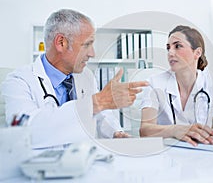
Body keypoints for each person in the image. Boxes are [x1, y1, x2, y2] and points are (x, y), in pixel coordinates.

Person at [1, 9, 148, 148]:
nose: (92, 53)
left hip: (83, 164)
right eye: (87, 44)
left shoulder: (86, 76)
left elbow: (100, 116)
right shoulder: (19, 81)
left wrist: (115, 133)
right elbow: (24, 133)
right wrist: (98, 101)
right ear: (61, 43)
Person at [139, 25, 213, 146]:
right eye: (168, 48)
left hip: (204, 155)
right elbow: (145, 130)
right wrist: (175, 130)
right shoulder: (155, 83)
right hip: (167, 157)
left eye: (178, 46)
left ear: (197, 53)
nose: (170, 52)